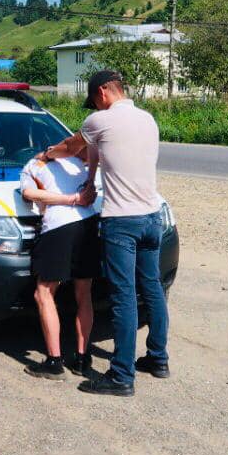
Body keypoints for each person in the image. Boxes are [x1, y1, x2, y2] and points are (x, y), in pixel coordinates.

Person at [41, 70, 168, 397]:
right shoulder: (148, 119)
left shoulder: (100, 120)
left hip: (121, 222)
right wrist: (93, 172)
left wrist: (47, 154)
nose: (93, 106)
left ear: (102, 93)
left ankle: (122, 376)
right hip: (153, 216)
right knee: (151, 287)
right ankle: (158, 358)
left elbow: (72, 147)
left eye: (93, 100)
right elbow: (107, 153)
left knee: (123, 297)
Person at [20, 145, 99, 380]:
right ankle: (82, 359)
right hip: (88, 222)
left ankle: (54, 361)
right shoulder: (76, 161)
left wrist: (69, 199)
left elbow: (29, 194)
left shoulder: (31, 166)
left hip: (58, 228)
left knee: (43, 292)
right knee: (84, 293)